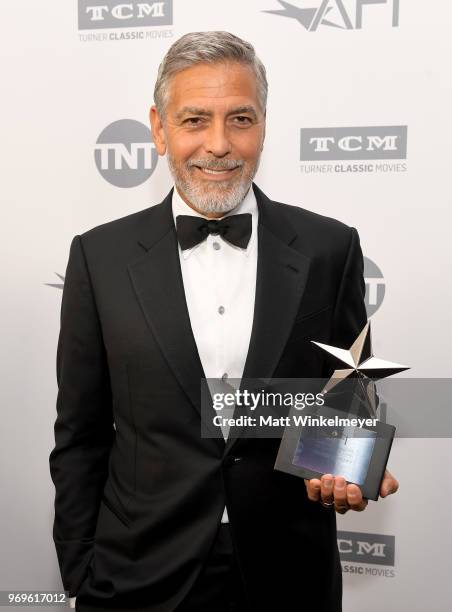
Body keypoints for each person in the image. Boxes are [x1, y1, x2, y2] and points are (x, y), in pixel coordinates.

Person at [49, 31, 399, 612]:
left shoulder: (330, 246)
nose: (219, 145)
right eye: (193, 121)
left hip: (289, 574)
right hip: (137, 576)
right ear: (159, 129)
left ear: (264, 125)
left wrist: (347, 463)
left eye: (240, 118)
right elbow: (80, 437)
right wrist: (80, 573)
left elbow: (347, 398)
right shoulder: (99, 257)